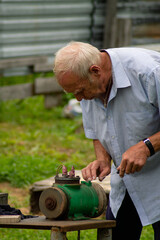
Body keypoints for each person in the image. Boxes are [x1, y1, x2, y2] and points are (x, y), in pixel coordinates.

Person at [53, 41, 160, 240]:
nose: (78, 99)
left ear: (96, 71)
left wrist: (146, 147)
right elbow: (98, 128)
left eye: (80, 91)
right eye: (73, 93)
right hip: (125, 178)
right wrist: (102, 159)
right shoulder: (87, 86)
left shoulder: (149, 72)